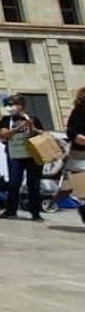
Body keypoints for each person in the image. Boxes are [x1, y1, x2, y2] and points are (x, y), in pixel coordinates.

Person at [0, 94, 45, 221]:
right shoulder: (6, 120)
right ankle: (10, 210)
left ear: (21, 106)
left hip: (32, 155)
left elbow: (43, 134)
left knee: (33, 184)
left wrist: (31, 127)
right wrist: (19, 128)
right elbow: (4, 135)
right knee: (14, 183)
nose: (10, 107)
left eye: (13, 104)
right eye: (9, 105)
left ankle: (35, 212)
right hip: (15, 155)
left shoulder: (33, 118)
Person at [65, 88, 85, 225]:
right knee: (83, 191)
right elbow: (71, 132)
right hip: (80, 155)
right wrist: (80, 138)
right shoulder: (78, 112)